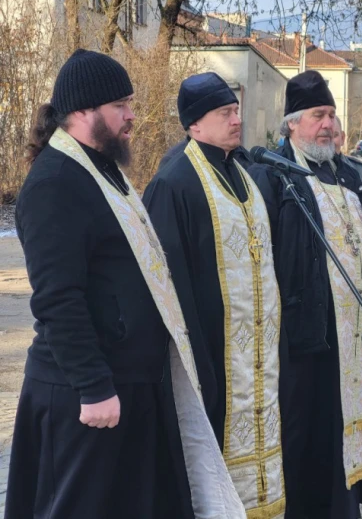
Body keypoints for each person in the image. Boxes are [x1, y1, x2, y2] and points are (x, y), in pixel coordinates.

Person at [5, 50, 245, 519]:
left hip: (130, 385)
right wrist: (93, 387)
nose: (132, 115)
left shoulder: (102, 170)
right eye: (120, 105)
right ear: (81, 111)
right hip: (86, 397)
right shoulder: (55, 181)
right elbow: (58, 299)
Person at [247, 70, 362, 519]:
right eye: (317, 115)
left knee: (342, 430)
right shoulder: (269, 174)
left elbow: (361, 248)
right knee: (306, 431)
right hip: (304, 333)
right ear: (292, 123)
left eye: (331, 114)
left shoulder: (349, 175)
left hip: (353, 338)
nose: (328, 124)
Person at [142, 72, 284, 516]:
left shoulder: (245, 174)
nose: (237, 119)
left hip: (258, 357)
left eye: (236, 110)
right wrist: (196, 355)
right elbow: (168, 283)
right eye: (225, 113)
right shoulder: (173, 183)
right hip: (210, 354)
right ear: (194, 124)